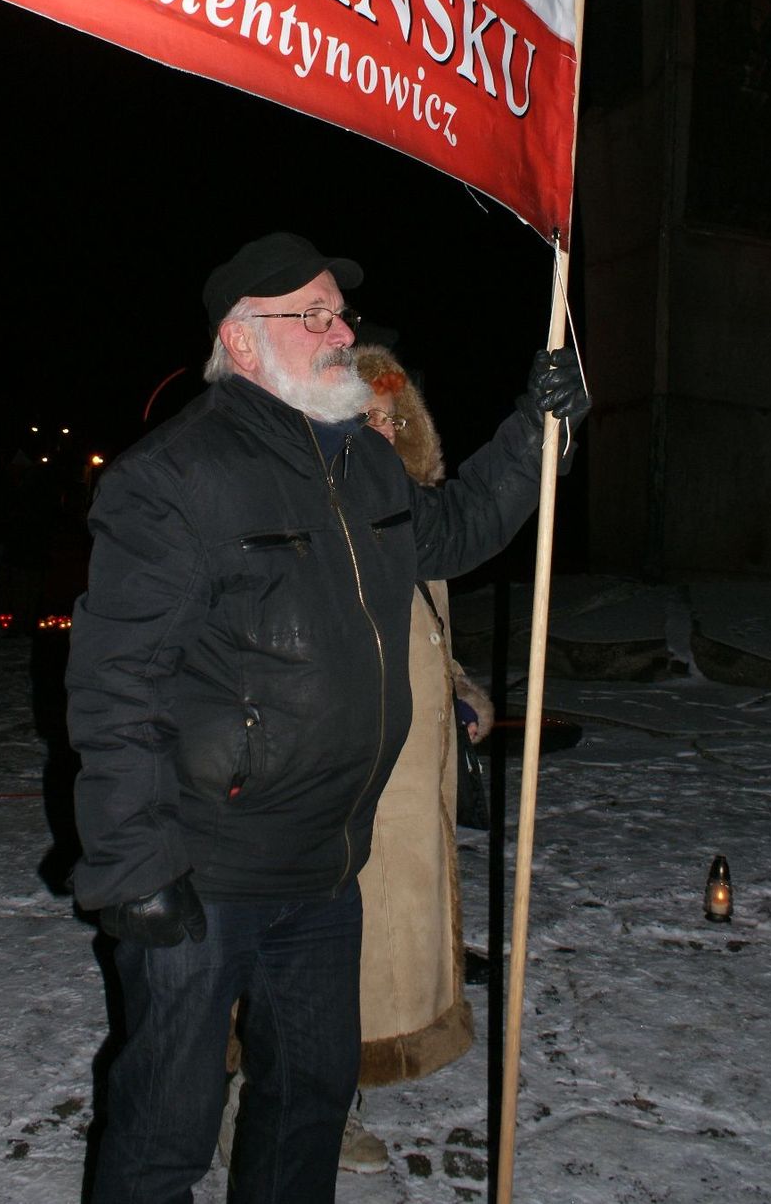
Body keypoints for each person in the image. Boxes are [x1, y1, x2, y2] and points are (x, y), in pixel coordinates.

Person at [66, 231, 588, 1204]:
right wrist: (136, 865)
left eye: (340, 312)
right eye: (315, 315)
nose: (343, 330)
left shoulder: (368, 467)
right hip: (206, 869)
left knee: (308, 1104)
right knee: (165, 1130)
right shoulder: (176, 477)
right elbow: (116, 684)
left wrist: (537, 430)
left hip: (326, 864)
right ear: (245, 340)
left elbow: (462, 528)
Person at [337, 344, 493, 1174]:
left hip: (413, 778)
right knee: (329, 952)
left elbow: (432, 633)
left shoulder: (418, 519)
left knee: (377, 948)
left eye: (392, 416)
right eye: (364, 413)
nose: (380, 428)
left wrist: (464, 689)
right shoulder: (332, 518)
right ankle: (294, 1105)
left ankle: (334, 1091)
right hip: (351, 773)